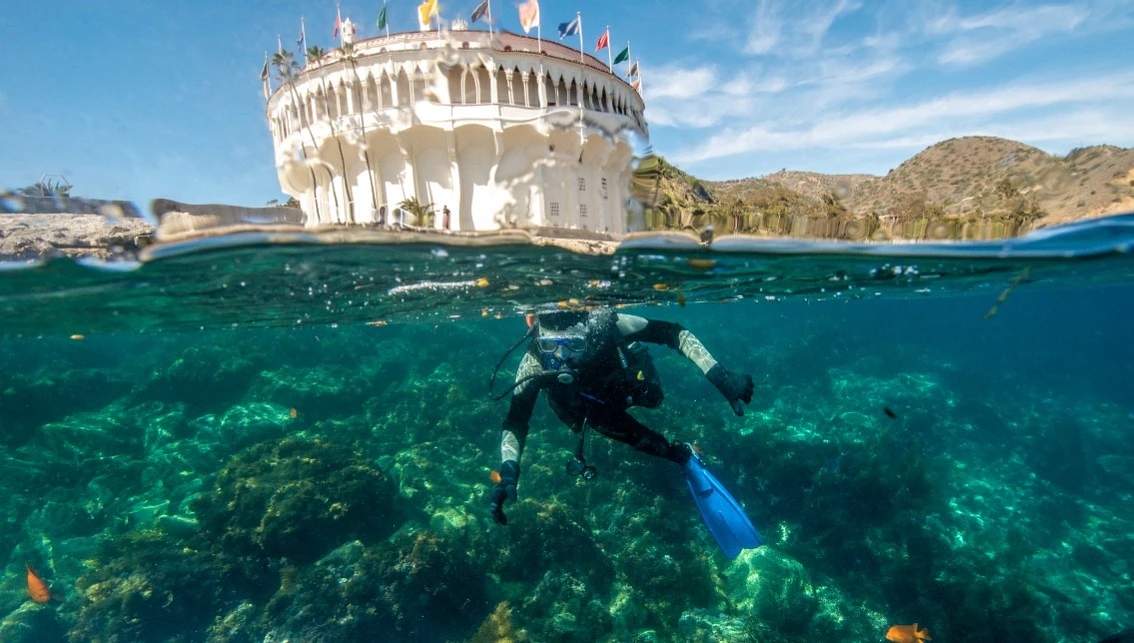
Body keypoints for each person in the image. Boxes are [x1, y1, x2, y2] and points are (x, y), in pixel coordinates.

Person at [488, 308, 763, 557]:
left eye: (575, 344)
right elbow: (516, 420)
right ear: (532, 323)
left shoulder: (608, 326)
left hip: (621, 384)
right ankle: (684, 456)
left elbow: (674, 333)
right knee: (648, 444)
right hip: (589, 410)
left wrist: (720, 376)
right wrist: (509, 471)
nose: (563, 358)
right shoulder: (534, 360)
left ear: (590, 330)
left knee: (653, 397)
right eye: (550, 346)